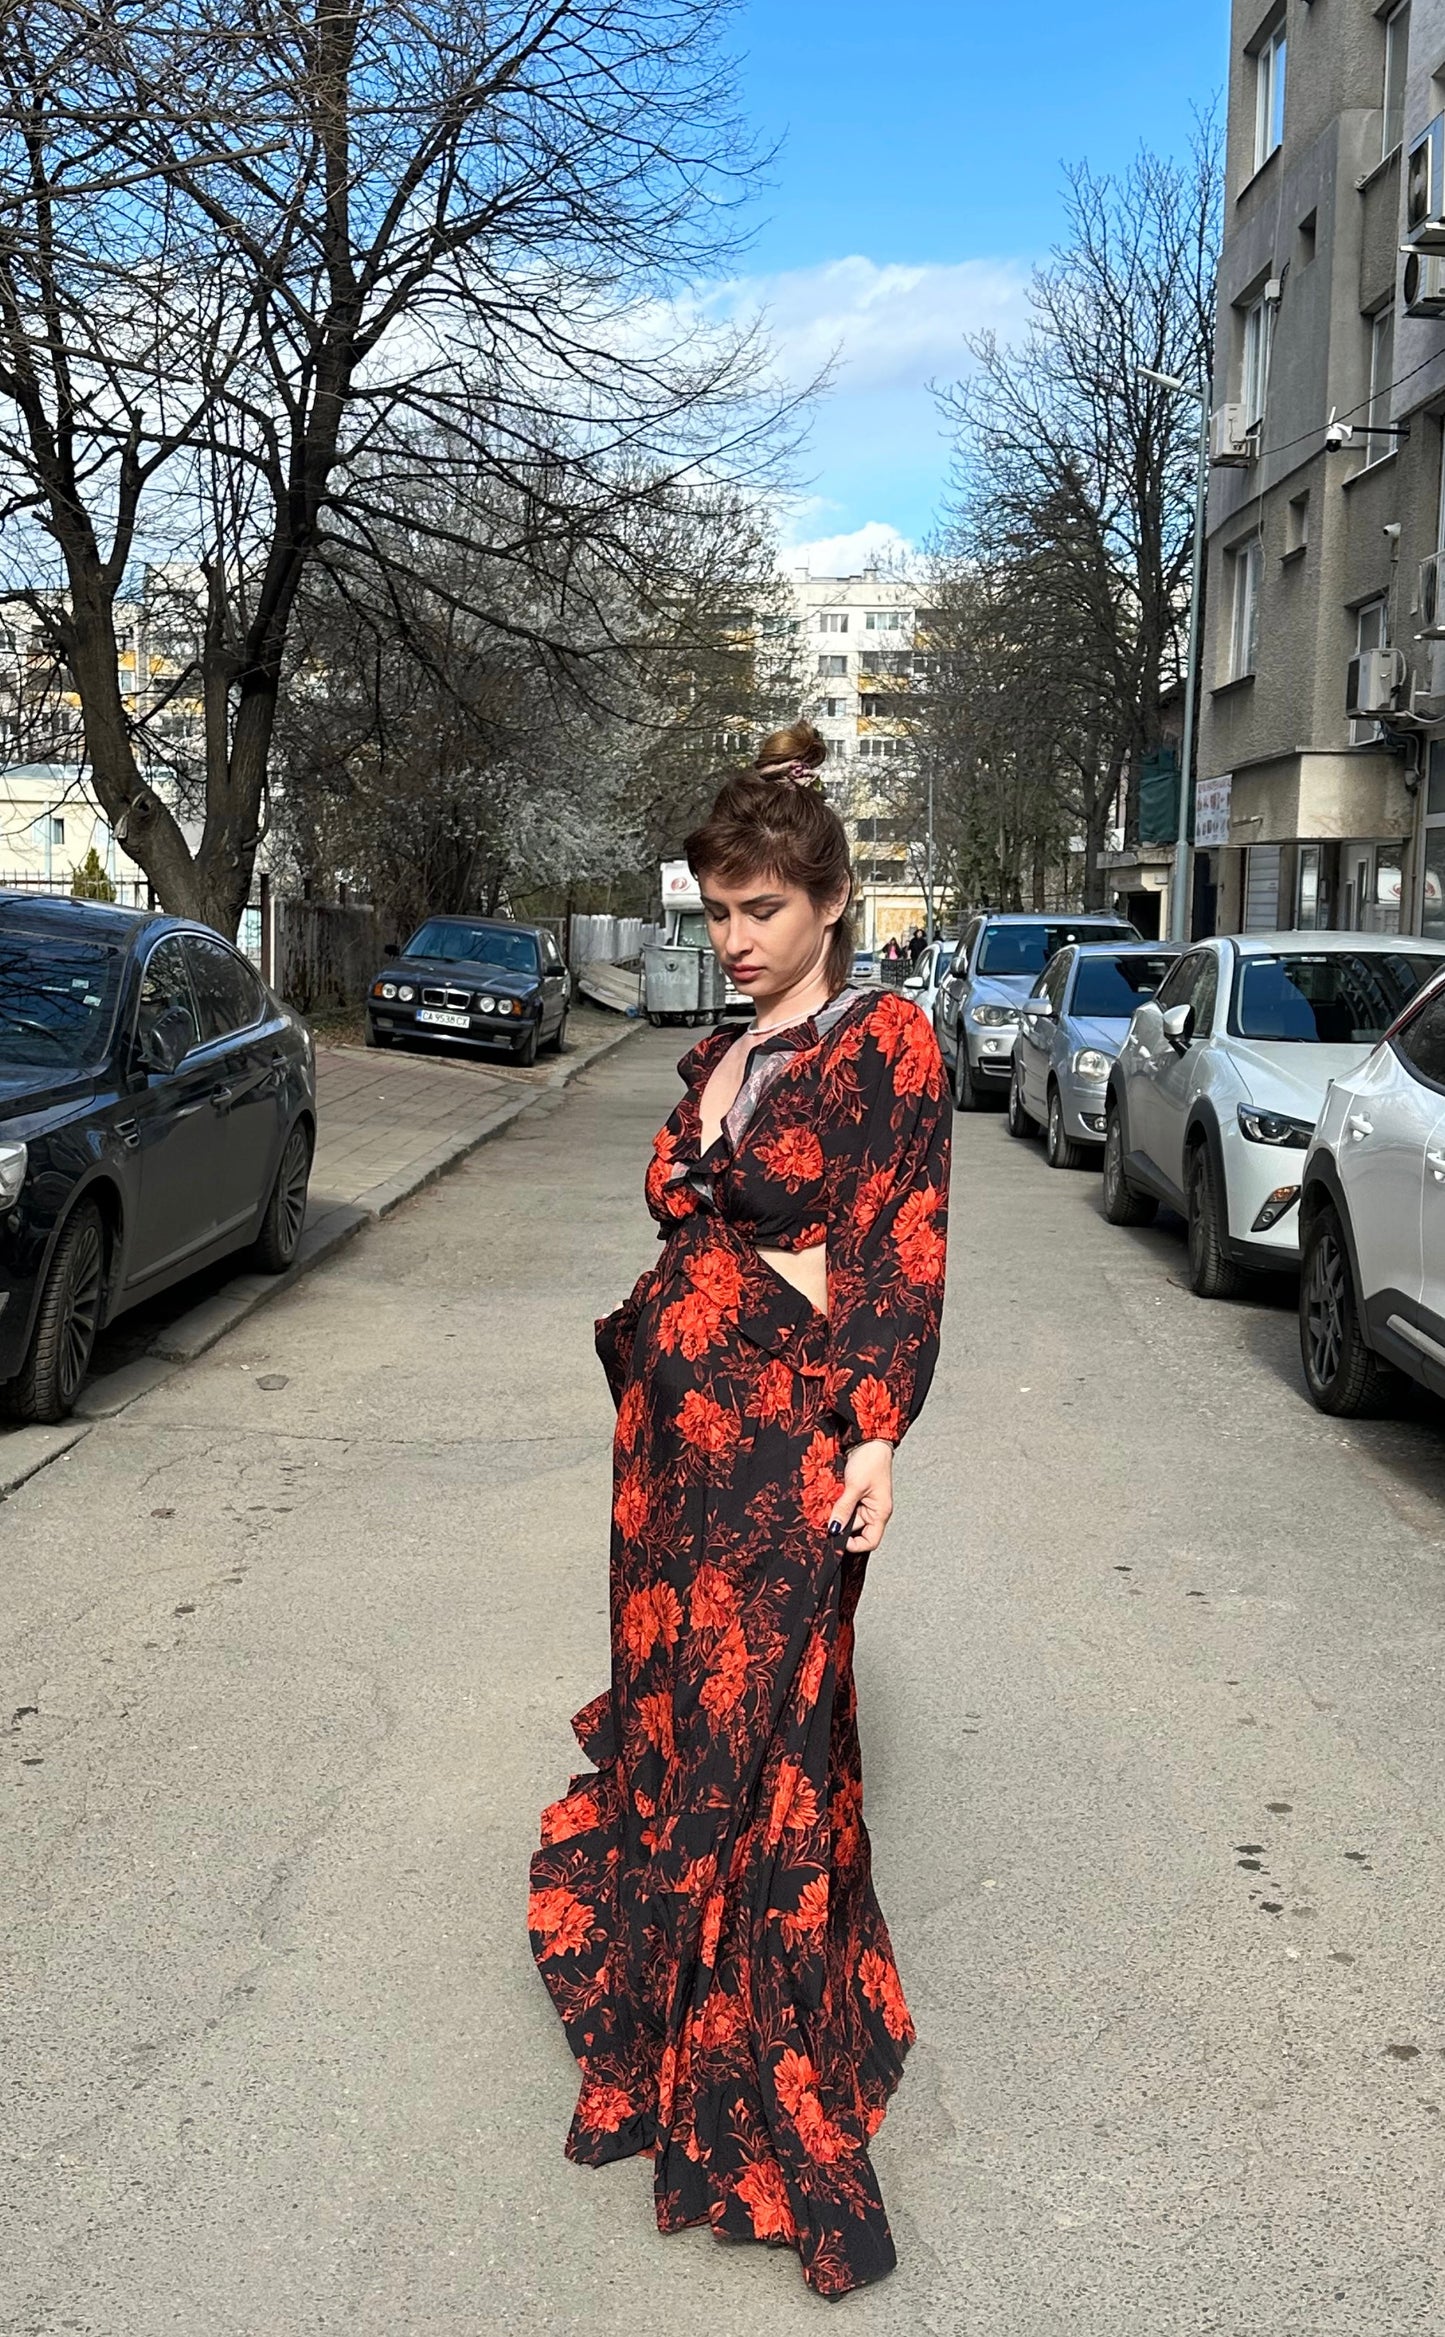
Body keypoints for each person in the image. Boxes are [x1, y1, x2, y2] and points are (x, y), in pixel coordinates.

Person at [528, 719, 951, 2299]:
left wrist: (874, 1433)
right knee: (674, 1719)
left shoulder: (881, 1043)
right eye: (715, 910)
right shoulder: (718, 1056)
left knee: (772, 1735)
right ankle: (674, 2004)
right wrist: (760, 1264)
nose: (733, 938)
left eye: (759, 909)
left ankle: (766, 2060)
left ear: (831, 900)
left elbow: (896, 1248)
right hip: (666, 1465)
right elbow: (720, 1225)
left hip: (784, 1457)